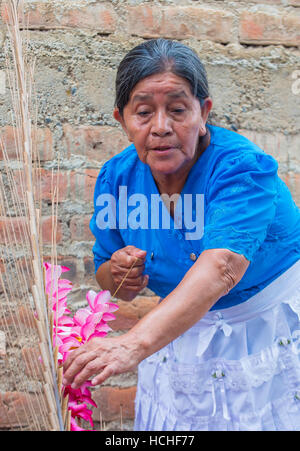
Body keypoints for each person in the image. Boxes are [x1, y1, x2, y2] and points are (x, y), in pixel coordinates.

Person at [63, 39, 300, 431]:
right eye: (143, 113)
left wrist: (132, 344)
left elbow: (222, 268)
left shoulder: (241, 167)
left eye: (177, 110)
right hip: (179, 329)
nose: (161, 127)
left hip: (268, 328)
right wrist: (121, 274)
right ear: (121, 119)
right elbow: (110, 279)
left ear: (203, 112)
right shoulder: (116, 179)